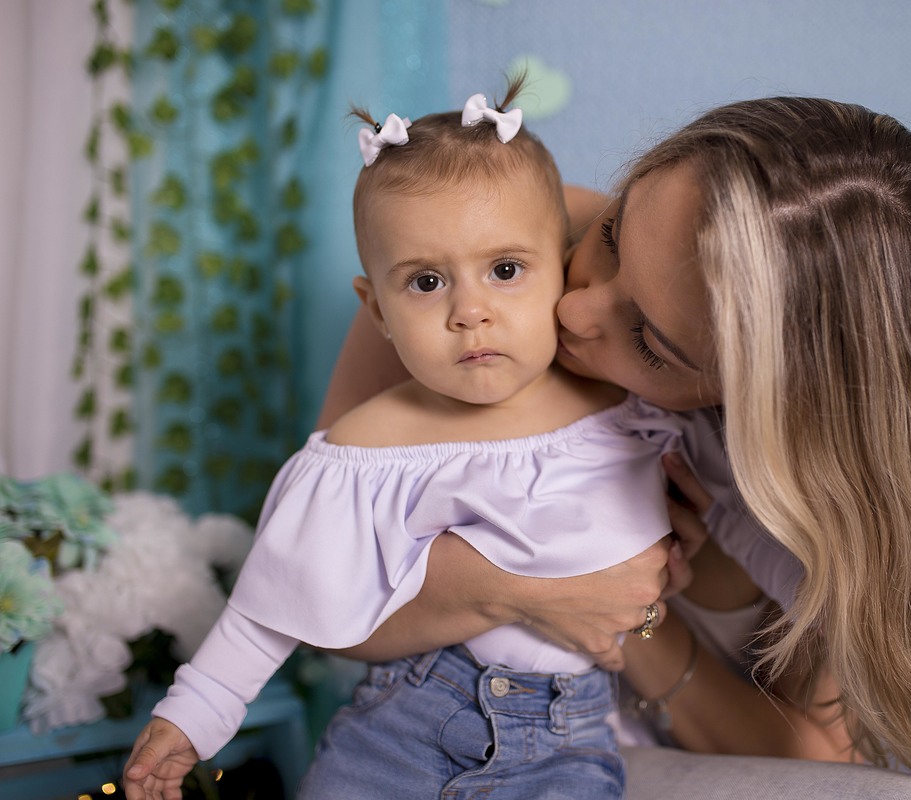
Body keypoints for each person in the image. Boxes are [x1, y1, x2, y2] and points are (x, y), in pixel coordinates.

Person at [317, 96, 911, 800]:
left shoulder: (826, 486)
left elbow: (806, 752)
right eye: (613, 235)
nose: (576, 312)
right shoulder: (480, 258)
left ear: (769, 403)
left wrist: (643, 627)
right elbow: (321, 593)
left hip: (716, 721)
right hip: (554, 741)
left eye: (651, 342)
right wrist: (558, 592)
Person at [122, 80, 703, 800]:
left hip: (566, 734)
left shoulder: (624, 410)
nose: (471, 312)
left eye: (506, 270)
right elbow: (272, 604)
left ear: (562, 264)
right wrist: (191, 718)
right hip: (405, 722)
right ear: (379, 311)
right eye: (427, 282)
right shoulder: (366, 447)